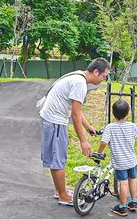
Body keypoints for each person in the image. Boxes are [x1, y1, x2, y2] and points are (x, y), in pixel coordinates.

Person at [39, 58, 110, 206]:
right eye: (104, 76)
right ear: (96, 72)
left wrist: (87, 126)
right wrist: (83, 141)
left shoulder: (78, 76)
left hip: (50, 118)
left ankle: (60, 191)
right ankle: (64, 196)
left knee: (55, 158)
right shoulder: (80, 84)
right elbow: (75, 114)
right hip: (55, 121)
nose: (104, 79)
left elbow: (75, 109)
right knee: (58, 159)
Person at [97, 99, 137, 217]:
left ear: (113, 113)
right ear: (128, 113)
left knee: (123, 184)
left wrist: (99, 153)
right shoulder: (131, 126)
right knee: (132, 180)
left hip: (120, 163)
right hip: (132, 161)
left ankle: (122, 207)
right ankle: (133, 202)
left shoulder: (110, 127)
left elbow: (103, 142)